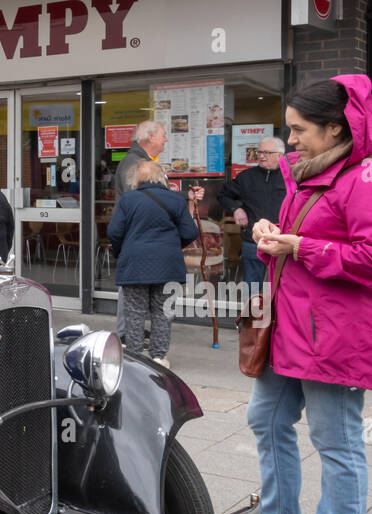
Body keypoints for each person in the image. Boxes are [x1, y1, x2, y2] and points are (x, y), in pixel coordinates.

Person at [227, 75, 372, 514]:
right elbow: (297, 246)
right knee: (265, 419)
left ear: (335, 128)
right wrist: (269, 238)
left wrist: (299, 247)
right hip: (293, 330)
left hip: (334, 338)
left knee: (337, 442)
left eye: (299, 130)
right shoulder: (313, 175)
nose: (291, 141)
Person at [106, 161, 199, 367]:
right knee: (163, 312)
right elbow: (191, 232)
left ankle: (134, 357)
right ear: (161, 177)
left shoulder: (128, 199)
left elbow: (114, 231)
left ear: (137, 178)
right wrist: (173, 245)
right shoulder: (175, 199)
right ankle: (158, 357)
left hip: (135, 264)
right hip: (168, 265)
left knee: (135, 313)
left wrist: (123, 251)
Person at [113, 121, 167, 344]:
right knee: (130, 287)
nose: (165, 139)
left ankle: (130, 331)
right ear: (151, 137)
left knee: (135, 286)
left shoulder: (142, 161)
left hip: (138, 234)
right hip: (134, 234)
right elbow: (139, 199)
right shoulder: (133, 163)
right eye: (163, 135)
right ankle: (125, 333)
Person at [218, 137, 287, 286]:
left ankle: (275, 311)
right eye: (260, 152)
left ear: (280, 155)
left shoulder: (291, 177)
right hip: (253, 242)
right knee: (252, 288)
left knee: (283, 287)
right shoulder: (246, 177)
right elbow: (223, 195)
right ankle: (252, 310)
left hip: (283, 242)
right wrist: (236, 209)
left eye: (267, 152)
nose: (261, 156)